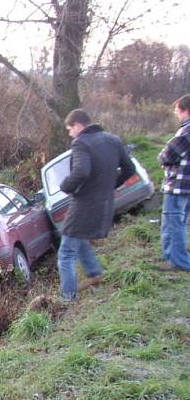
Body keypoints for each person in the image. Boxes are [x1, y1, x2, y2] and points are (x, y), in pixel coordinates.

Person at [58, 109, 135, 300]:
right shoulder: (113, 139)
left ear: (77, 125)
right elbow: (129, 169)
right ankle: (94, 273)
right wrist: (111, 186)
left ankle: (68, 298)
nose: (70, 134)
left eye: (70, 129)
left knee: (66, 252)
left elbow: (81, 172)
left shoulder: (81, 143)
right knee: (78, 238)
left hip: (84, 204)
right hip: (105, 203)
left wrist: (65, 186)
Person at [158, 94, 190, 272]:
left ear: (187, 111)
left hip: (179, 185)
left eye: (178, 111)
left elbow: (167, 154)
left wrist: (163, 159)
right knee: (176, 222)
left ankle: (179, 262)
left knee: (174, 222)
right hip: (185, 185)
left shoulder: (186, 131)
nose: (177, 114)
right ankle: (171, 257)